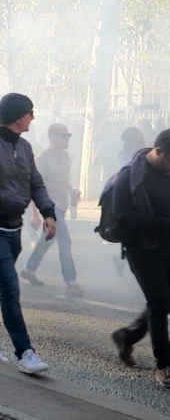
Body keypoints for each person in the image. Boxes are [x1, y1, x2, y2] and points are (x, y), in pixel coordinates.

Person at [0, 93, 55, 375]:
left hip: (13, 229)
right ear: (19, 116)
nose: (33, 116)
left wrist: (48, 211)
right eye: (31, 112)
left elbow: (35, 183)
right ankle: (25, 353)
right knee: (10, 289)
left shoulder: (26, 147)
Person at [109, 130, 170, 387]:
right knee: (158, 302)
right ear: (158, 152)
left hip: (167, 245)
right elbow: (121, 215)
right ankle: (164, 365)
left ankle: (128, 335)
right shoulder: (131, 175)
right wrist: (164, 224)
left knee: (165, 299)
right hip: (141, 248)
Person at [19, 124, 84, 295]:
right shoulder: (43, 159)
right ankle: (71, 282)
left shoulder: (65, 157)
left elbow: (64, 179)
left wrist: (72, 191)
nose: (67, 139)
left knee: (47, 240)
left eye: (68, 135)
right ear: (52, 137)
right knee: (65, 242)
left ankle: (29, 270)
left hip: (61, 206)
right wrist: (34, 214)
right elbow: (33, 186)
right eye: (64, 136)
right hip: (49, 207)